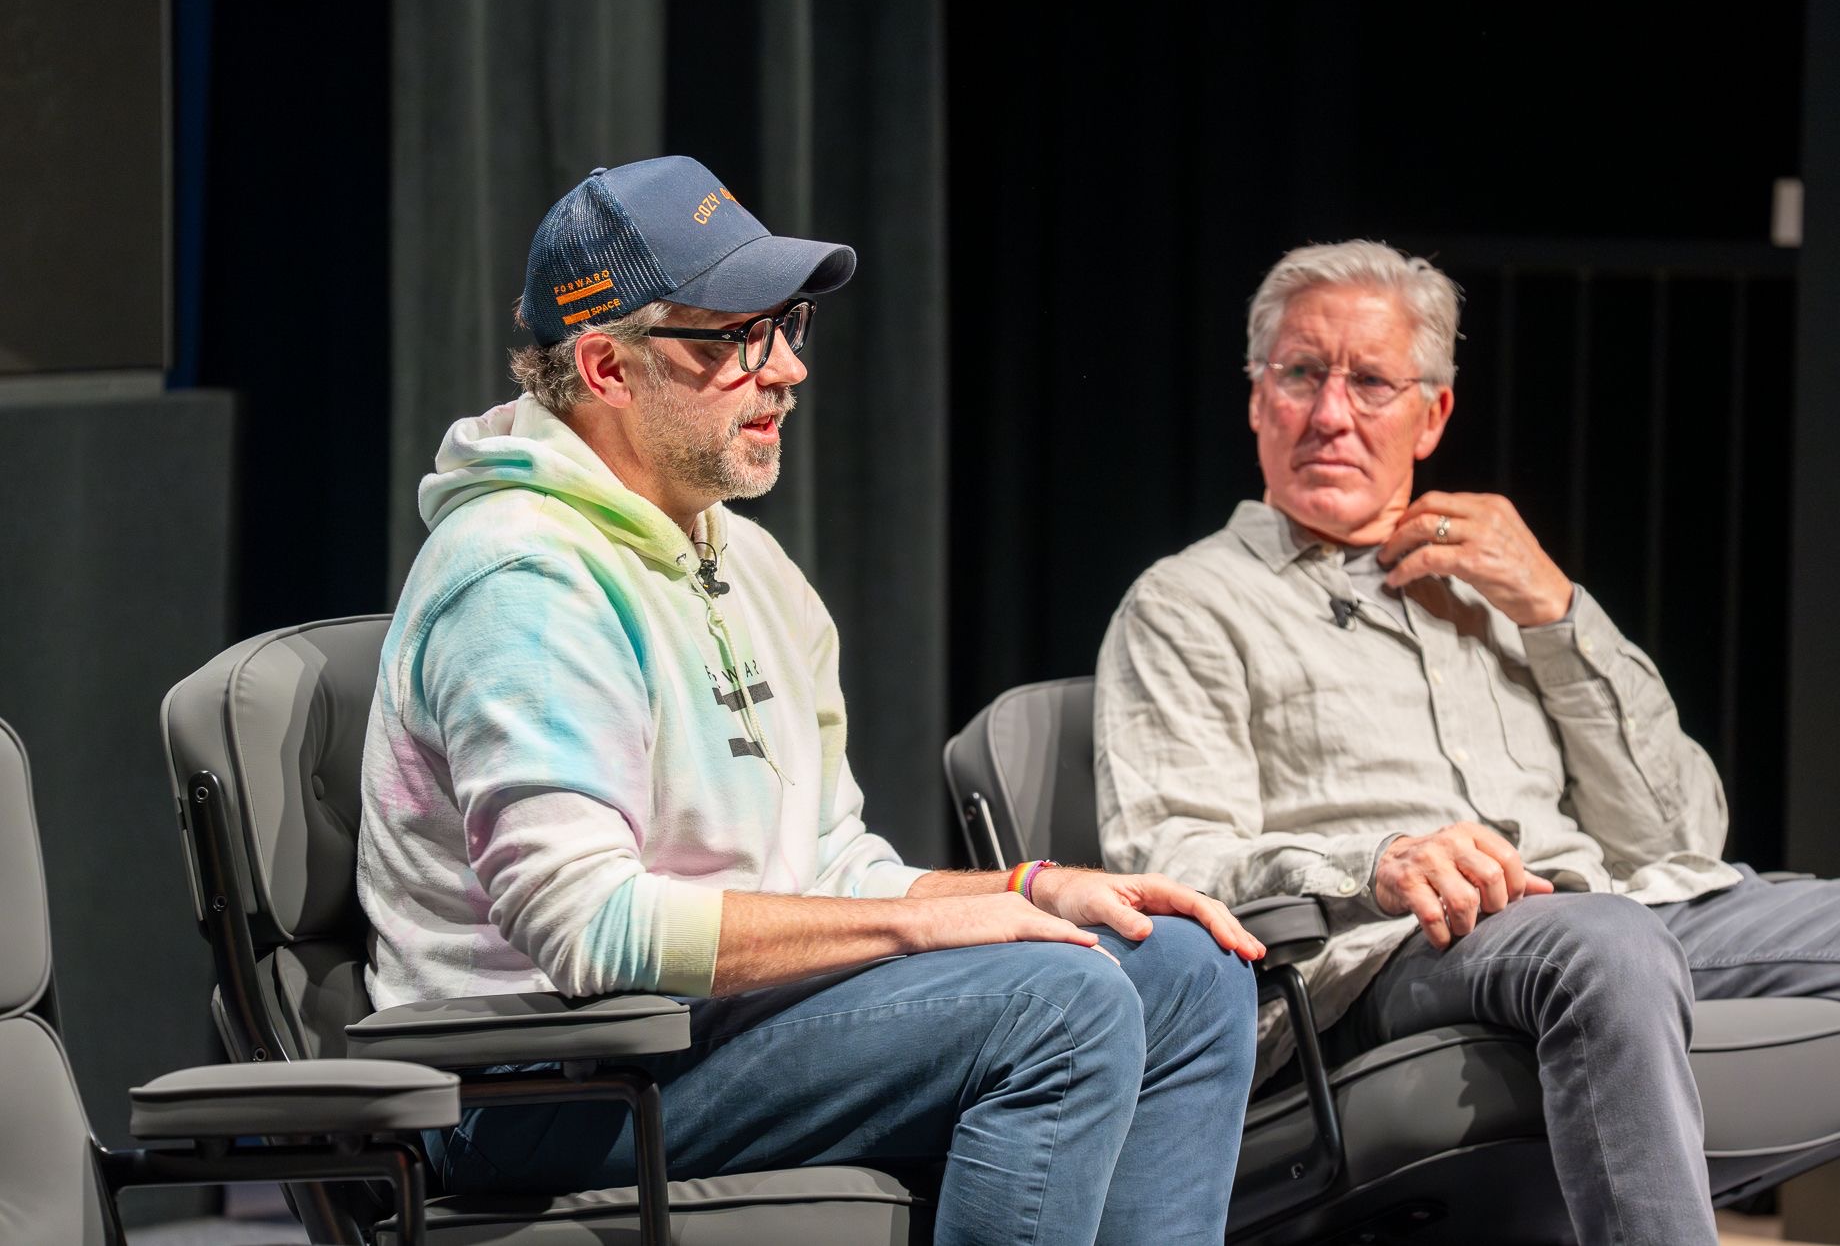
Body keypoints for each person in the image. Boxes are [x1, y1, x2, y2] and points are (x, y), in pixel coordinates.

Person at [357, 156, 1264, 1246]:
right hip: (533, 1078)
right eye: (730, 339)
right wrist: (917, 926)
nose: (782, 368)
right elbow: (588, 930)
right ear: (604, 365)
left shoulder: (750, 565)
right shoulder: (523, 574)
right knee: (1054, 1009)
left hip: (712, 1030)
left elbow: (827, 868)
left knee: (1183, 973)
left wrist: (1031, 886)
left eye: (785, 327)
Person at [1094, 238, 1840, 1245]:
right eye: (1298, 375)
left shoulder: (1496, 581)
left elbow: (1676, 834)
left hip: (1616, 914)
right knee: (1604, 941)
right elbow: (1169, 864)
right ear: (1255, 398)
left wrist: (1554, 610)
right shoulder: (1186, 604)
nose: (1329, 414)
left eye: (1370, 382)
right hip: (1391, 953)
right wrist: (1378, 864)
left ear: (1433, 414)